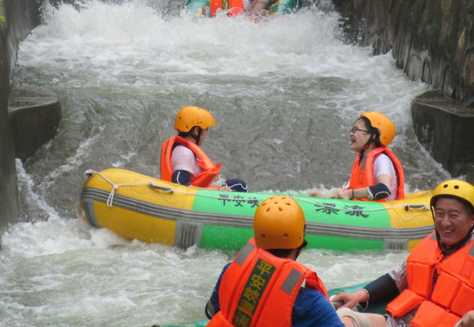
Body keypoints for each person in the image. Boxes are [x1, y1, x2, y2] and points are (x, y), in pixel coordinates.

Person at [330, 179, 474, 327]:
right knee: (344, 316)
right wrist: (360, 295)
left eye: (454, 215)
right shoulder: (432, 242)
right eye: (440, 214)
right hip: (398, 323)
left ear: (473, 218)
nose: (445, 223)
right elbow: (396, 278)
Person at [206, 195, 345, 326]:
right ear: (300, 245)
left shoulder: (230, 271)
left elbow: (210, 312)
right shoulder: (311, 303)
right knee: (349, 316)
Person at [310, 112, 405, 202]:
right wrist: (326, 198)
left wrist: (350, 194)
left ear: (373, 135)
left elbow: (384, 189)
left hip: (383, 211)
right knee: (335, 191)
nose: (351, 134)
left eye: (356, 130)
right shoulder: (362, 159)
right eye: (352, 130)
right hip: (366, 207)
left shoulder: (381, 160)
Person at [160, 106, 247, 192]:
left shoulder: (181, 149)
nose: (206, 134)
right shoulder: (184, 153)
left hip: (194, 193)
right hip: (189, 199)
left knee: (232, 183)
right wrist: (216, 190)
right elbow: (180, 185)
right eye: (206, 129)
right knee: (239, 185)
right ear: (196, 131)